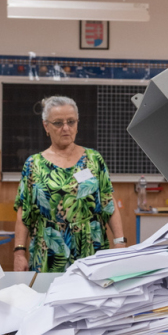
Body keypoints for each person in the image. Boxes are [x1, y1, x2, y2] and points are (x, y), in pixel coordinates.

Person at [14, 96, 126, 272]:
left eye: (71, 122)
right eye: (58, 123)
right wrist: (19, 252)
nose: (65, 128)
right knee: (48, 297)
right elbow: (24, 211)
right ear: (46, 126)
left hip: (90, 247)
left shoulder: (93, 159)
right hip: (49, 251)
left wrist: (120, 242)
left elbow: (107, 202)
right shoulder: (33, 164)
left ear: (77, 123)